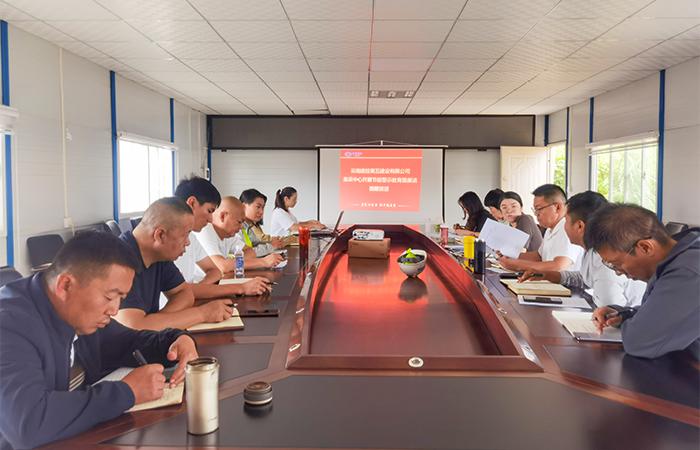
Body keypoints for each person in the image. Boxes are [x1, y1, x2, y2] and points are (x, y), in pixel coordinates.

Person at [0, 232, 198, 449]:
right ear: (65, 285)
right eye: (109, 297)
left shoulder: (78, 314)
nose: (114, 310)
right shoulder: (9, 325)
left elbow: (129, 342)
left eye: (121, 299)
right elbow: (27, 423)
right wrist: (127, 393)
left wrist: (176, 340)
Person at [588, 204, 699, 359]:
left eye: (617, 264)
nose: (618, 272)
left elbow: (639, 342)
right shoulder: (675, 260)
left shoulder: (688, 271)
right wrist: (624, 315)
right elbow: (664, 312)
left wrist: (636, 325)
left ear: (645, 247)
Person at [115, 197, 235, 331]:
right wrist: (203, 314)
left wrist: (156, 322)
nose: (188, 242)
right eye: (185, 235)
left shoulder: (158, 255)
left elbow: (185, 293)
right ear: (160, 235)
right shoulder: (118, 261)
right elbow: (133, 327)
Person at [519, 191, 646, 307]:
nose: (564, 226)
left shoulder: (607, 262)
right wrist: (548, 275)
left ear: (580, 226)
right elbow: (585, 278)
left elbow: (611, 312)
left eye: (566, 220)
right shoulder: (592, 250)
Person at [173, 176, 270, 298]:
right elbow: (221, 267)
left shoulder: (191, 237)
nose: (210, 219)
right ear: (192, 203)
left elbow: (215, 272)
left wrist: (198, 290)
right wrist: (241, 287)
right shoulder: (199, 232)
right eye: (209, 211)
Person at [497, 184, 583, 272]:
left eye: (539, 209)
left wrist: (517, 265)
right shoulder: (550, 229)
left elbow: (558, 266)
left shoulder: (568, 228)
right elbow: (539, 256)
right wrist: (510, 254)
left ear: (557, 207)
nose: (536, 214)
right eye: (535, 210)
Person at [196, 196, 285, 274]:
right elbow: (223, 266)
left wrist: (232, 263)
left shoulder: (228, 234)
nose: (242, 227)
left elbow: (250, 252)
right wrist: (263, 262)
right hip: (204, 284)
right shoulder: (205, 229)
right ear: (223, 216)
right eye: (239, 222)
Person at [239, 188, 285, 257]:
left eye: (263, 208)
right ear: (243, 206)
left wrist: (273, 242)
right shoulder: (237, 227)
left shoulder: (251, 225)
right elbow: (244, 253)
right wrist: (271, 246)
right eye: (258, 207)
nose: (261, 212)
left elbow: (257, 244)